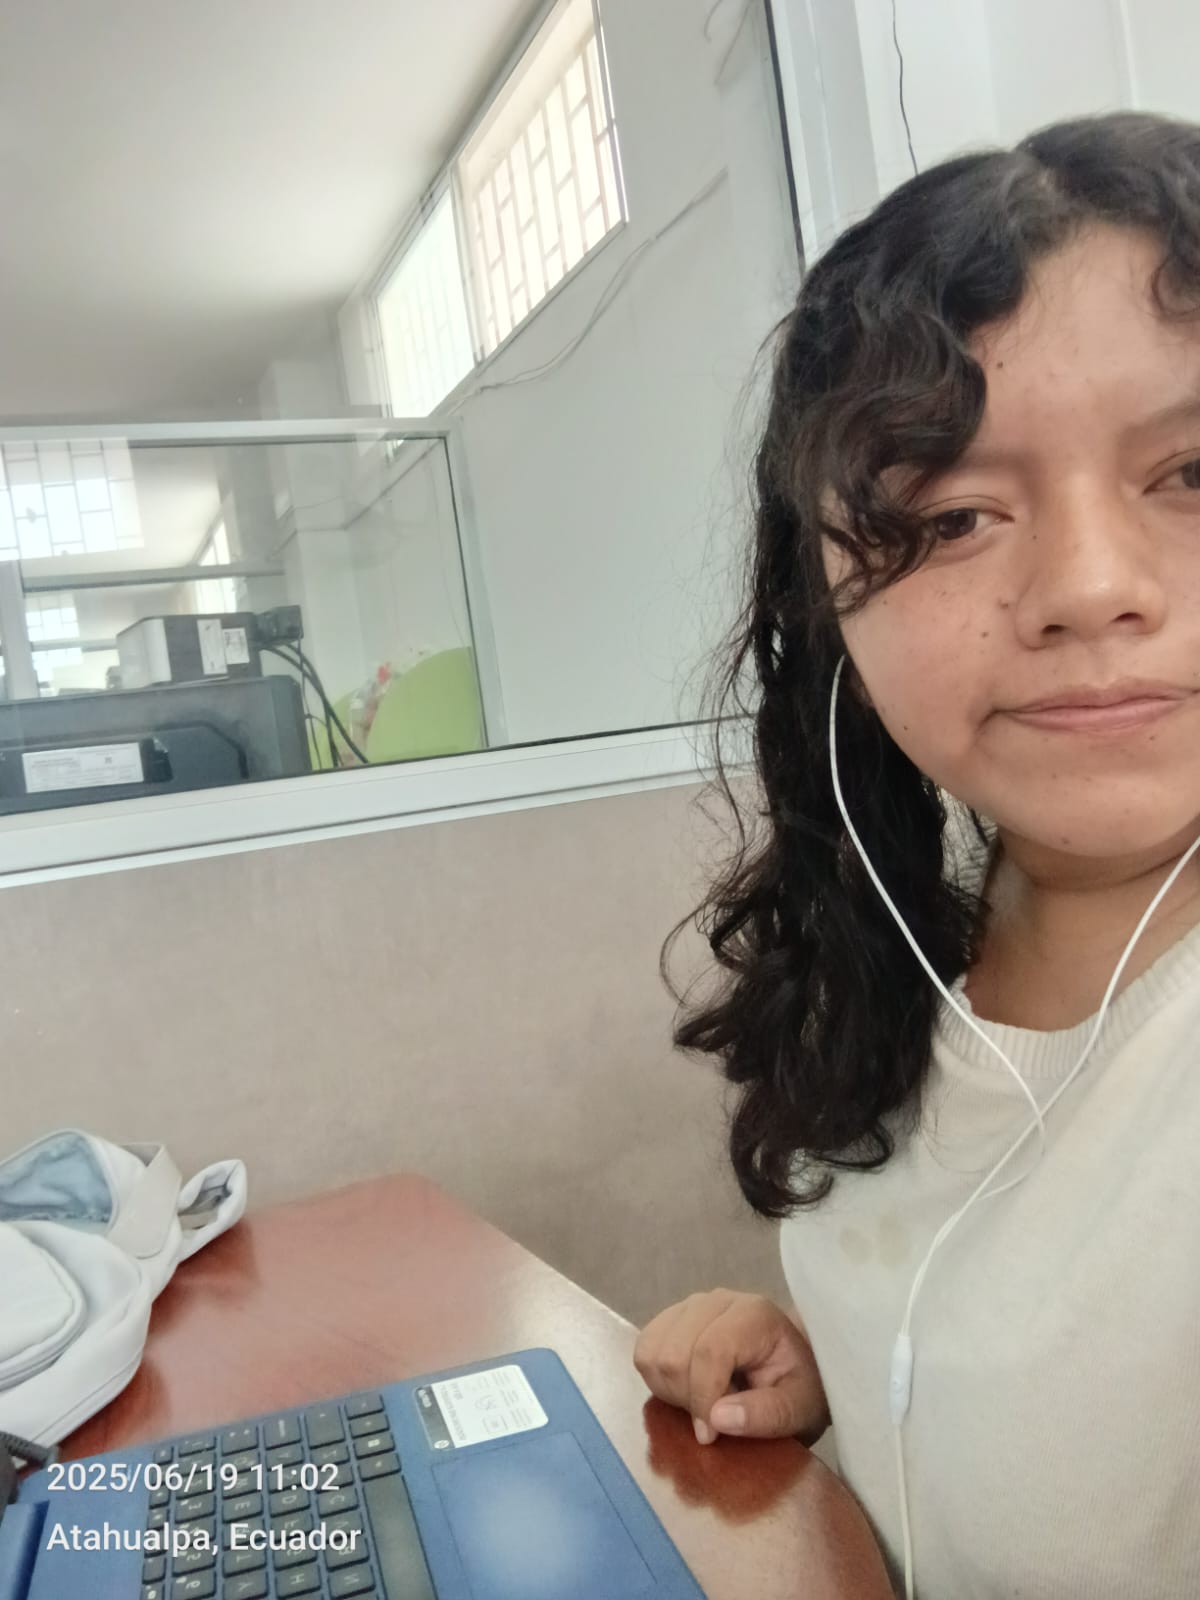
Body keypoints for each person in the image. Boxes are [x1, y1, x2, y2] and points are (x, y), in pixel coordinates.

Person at [634, 111, 1200, 1600]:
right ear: (830, 600)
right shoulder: (921, 945)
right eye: (952, 514)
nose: (1090, 588)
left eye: (1194, 472)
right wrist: (849, 1364)